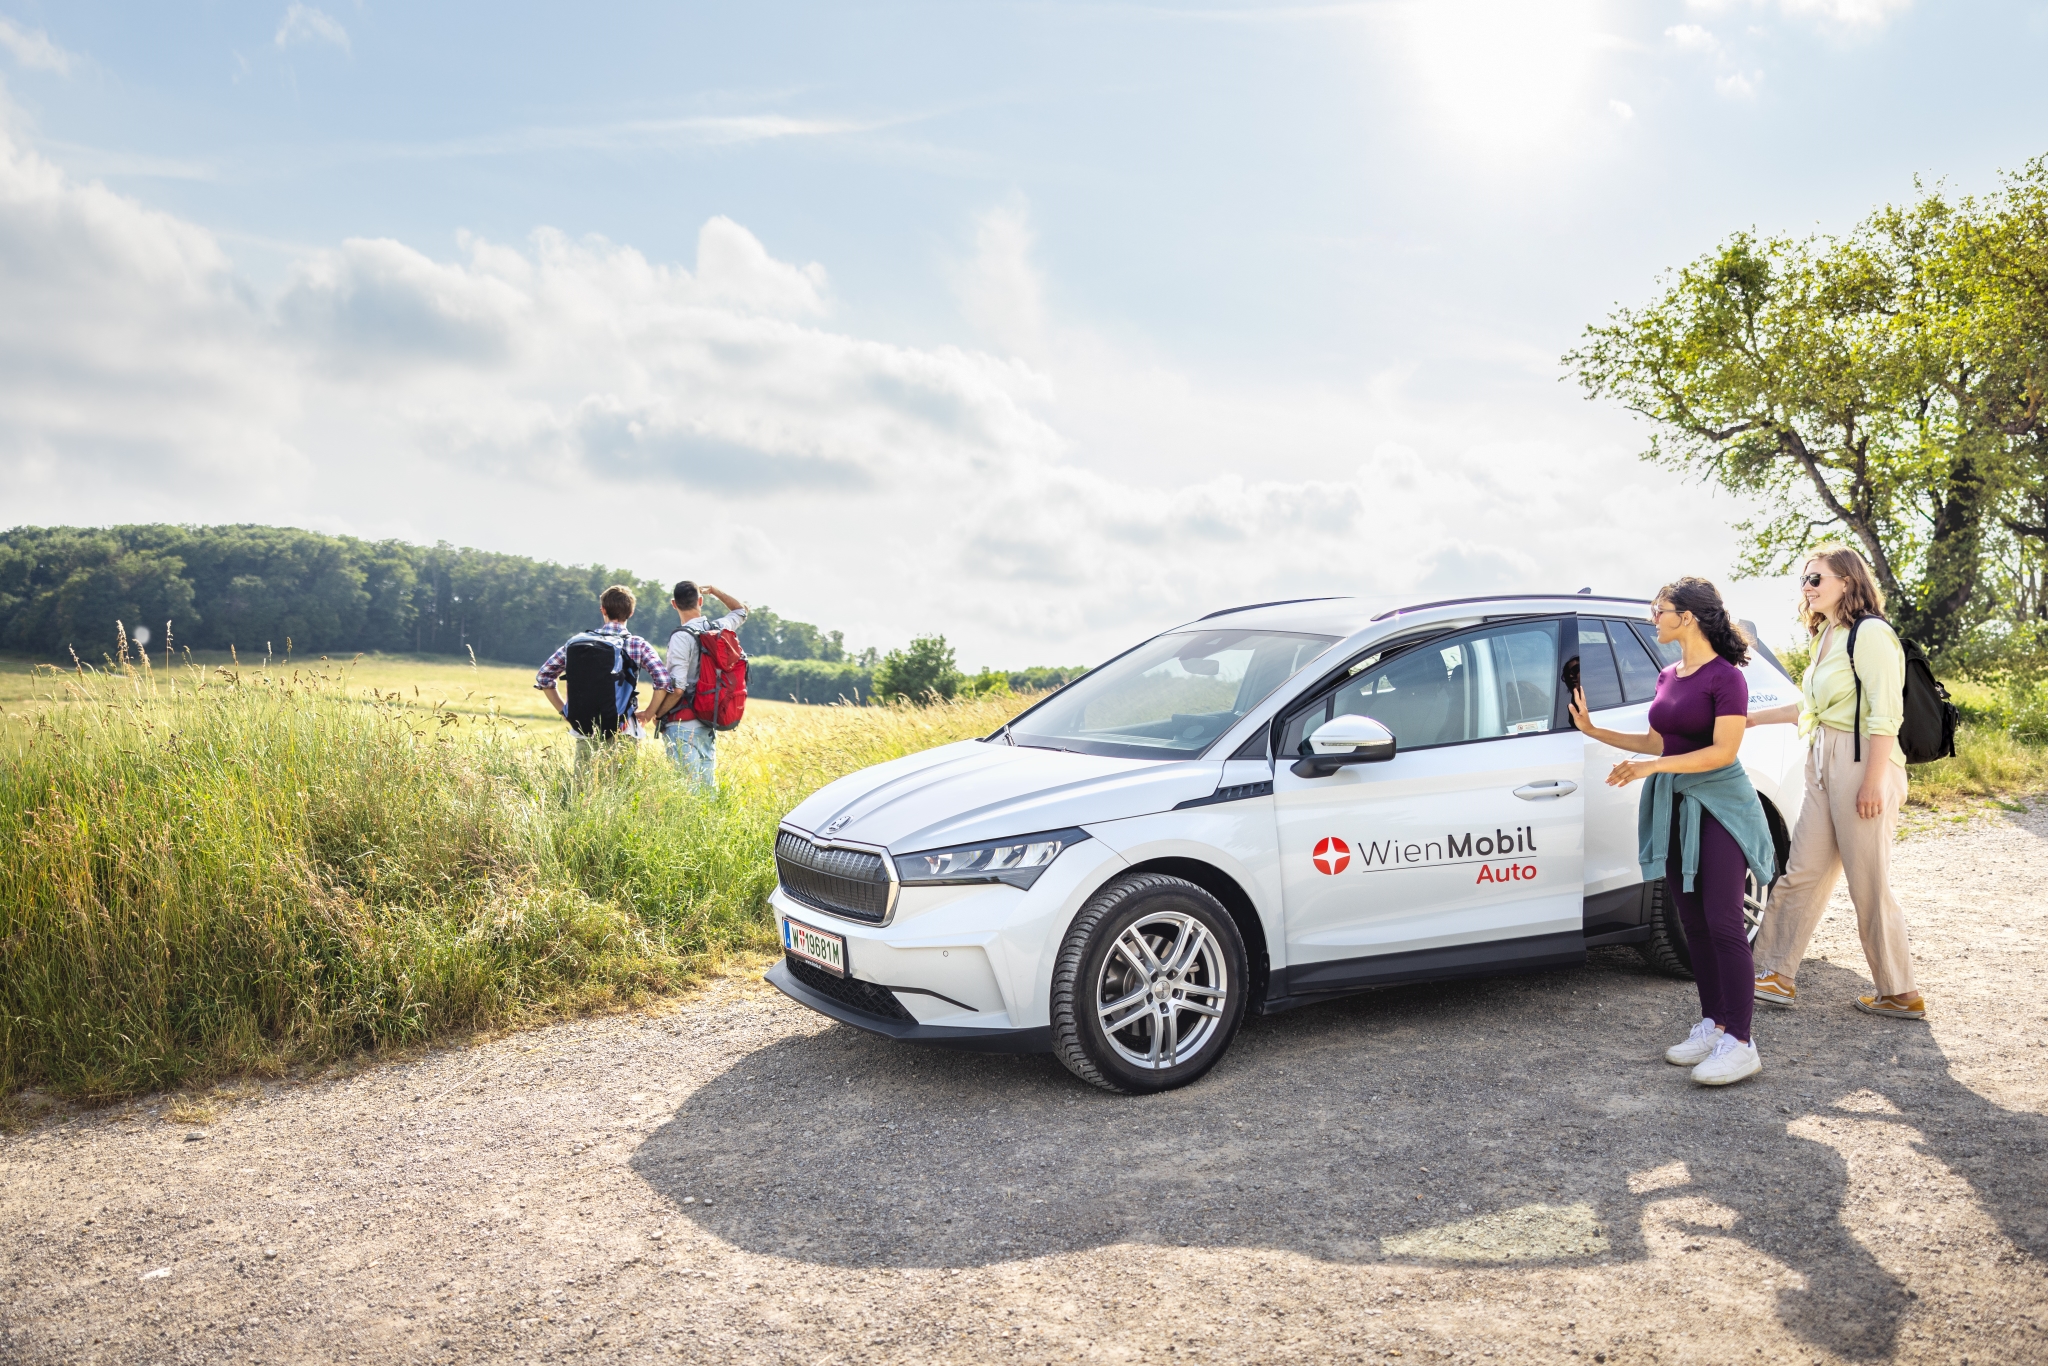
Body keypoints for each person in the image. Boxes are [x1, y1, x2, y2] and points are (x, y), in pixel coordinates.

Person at [1569, 577, 1778, 1087]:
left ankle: (1742, 1043)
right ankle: (1715, 1023)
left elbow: (1723, 752)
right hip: (1675, 804)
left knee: (1724, 922)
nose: (1652, 617)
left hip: (1718, 806)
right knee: (1693, 920)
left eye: (1659, 609)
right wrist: (1597, 732)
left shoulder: (1726, 678)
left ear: (1686, 616)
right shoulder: (1668, 674)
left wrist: (1650, 769)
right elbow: (1659, 739)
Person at [1748, 546, 1925, 1020]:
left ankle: (1899, 991)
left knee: (1868, 882)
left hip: (1863, 761)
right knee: (1802, 870)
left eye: (1816, 579)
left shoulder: (1870, 635)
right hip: (1823, 761)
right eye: (1804, 579)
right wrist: (1748, 720)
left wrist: (1871, 783)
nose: (1806, 587)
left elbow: (1887, 716)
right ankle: (1773, 973)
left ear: (1847, 581)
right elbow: (1809, 709)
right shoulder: (1826, 634)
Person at [535, 584, 674, 741]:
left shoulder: (578, 642)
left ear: (603, 610)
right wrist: (648, 714)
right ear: (631, 613)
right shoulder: (637, 644)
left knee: (585, 767)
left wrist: (565, 711)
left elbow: (544, 676)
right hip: (623, 729)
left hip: (584, 730)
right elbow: (663, 681)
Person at [655, 580, 747, 786]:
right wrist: (715, 590)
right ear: (700, 601)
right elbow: (741, 610)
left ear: (673, 604)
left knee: (685, 790)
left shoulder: (681, 636)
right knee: (706, 788)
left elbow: (678, 688)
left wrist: (657, 714)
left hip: (681, 723)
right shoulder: (719, 628)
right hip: (708, 719)